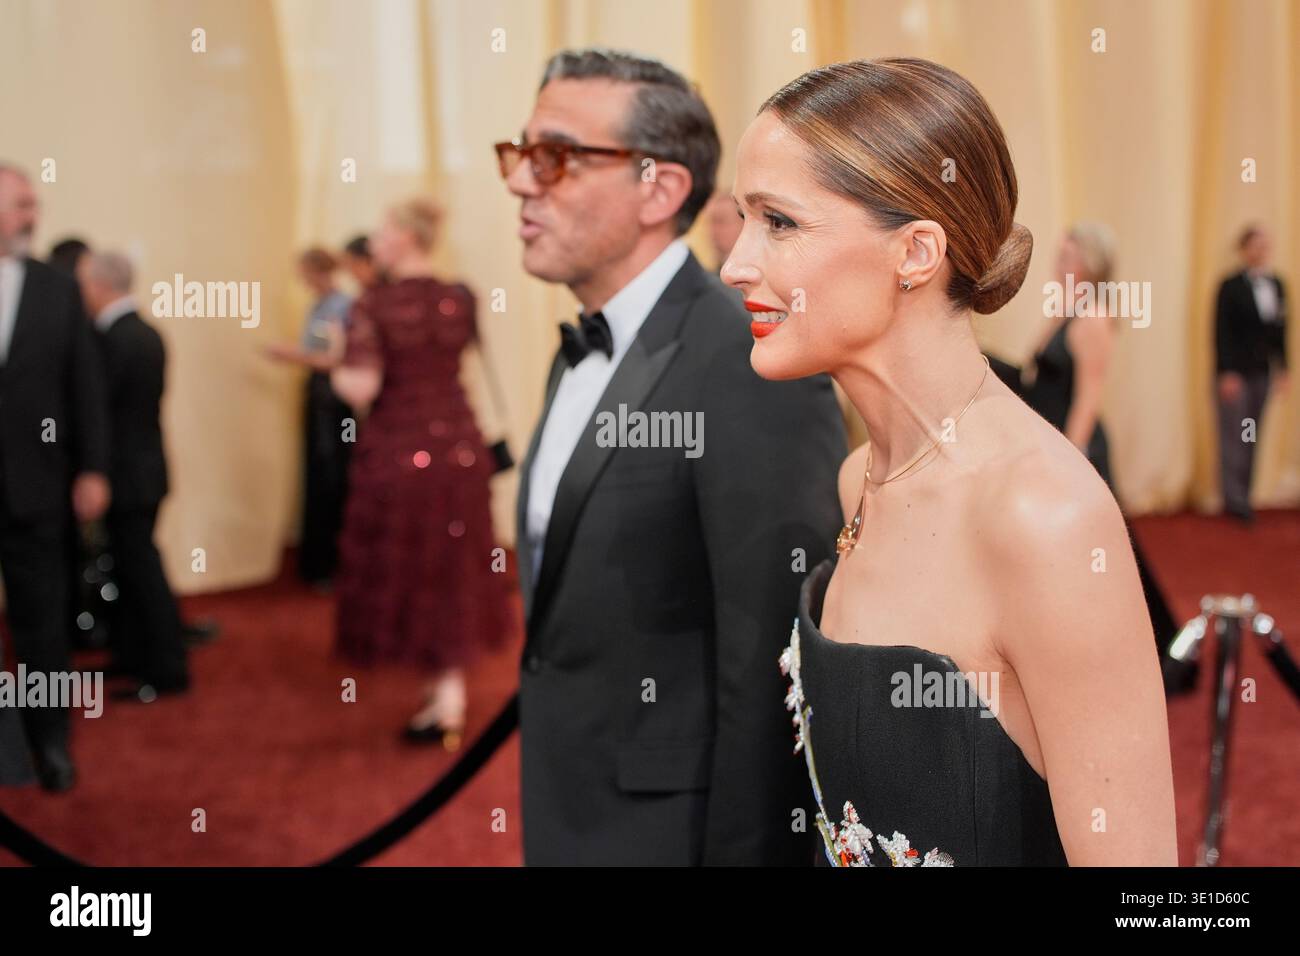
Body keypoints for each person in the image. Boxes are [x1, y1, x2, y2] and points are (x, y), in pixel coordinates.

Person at [723, 58, 1177, 865]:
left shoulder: (1044, 517)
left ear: (917, 251)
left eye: (779, 223)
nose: (735, 265)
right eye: (741, 219)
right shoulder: (858, 477)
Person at [498, 48, 845, 865]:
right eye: (519, 153)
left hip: (673, 834)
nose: (519, 181)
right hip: (569, 795)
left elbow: (772, 664)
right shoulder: (578, 348)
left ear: (659, 189)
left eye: (554, 157)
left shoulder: (749, 364)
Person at [330, 198, 511, 749]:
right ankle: (447, 694)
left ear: (406, 237)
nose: (377, 240)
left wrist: (338, 358)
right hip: (461, 450)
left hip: (400, 454)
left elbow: (358, 388)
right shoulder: (460, 298)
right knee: (452, 567)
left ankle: (443, 698)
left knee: (417, 570)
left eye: (384, 229)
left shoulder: (373, 304)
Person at [1022, 224, 1180, 665]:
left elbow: (1088, 398)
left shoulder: (1093, 317)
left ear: (1093, 266)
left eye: (1071, 257)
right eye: (1061, 255)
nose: (1061, 264)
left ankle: (1159, 649)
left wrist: (1068, 458)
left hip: (1080, 446)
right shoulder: (1065, 308)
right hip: (1053, 439)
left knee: (1110, 548)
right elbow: (1036, 377)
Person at [0, 163, 110, 791]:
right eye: (20, 204)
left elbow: (85, 386)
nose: (32, 215)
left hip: (39, 487)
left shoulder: (56, 288)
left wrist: (93, 467)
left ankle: (52, 742)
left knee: (43, 622)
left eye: (34, 204)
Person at [77, 250, 190, 702]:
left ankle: (166, 669)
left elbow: (100, 415)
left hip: (126, 476)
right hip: (144, 470)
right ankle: (132, 655)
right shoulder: (145, 332)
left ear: (100, 286)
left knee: (141, 571)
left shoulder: (115, 340)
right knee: (129, 566)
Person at [266, 247, 353, 587]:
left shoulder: (341, 307)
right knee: (318, 474)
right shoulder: (319, 306)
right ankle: (317, 562)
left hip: (333, 403)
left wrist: (291, 354)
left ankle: (330, 563)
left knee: (332, 475)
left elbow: (334, 357)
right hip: (318, 397)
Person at [1214, 225, 1289, 524]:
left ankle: (1246, 494)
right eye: (1254, 245)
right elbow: (1221, 331)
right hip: (1237, 373)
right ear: (1244, 249)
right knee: (1235, 435)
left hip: (1262, 372)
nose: (1260, 251)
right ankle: (1234, 499)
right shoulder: (1230, 286)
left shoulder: (1277, 285)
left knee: (1251, 434)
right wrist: (1226, 371)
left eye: (1264, 245)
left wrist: (1283, 368)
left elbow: (1281, 331)